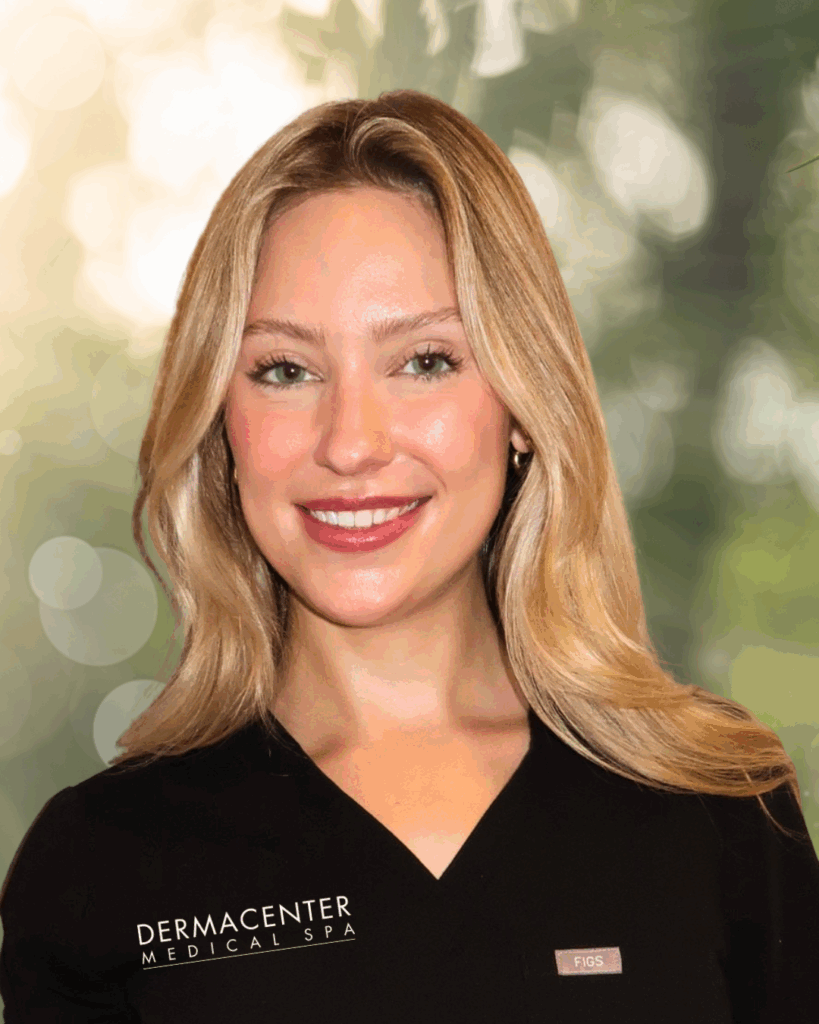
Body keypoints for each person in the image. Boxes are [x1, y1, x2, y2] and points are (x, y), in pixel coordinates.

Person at [1, 88, 818, 1023]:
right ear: (221, 424)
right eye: (285, 370)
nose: (351, 443)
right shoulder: (100, 864)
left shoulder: (718, 806)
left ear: (522, 404)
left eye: (424, 361)